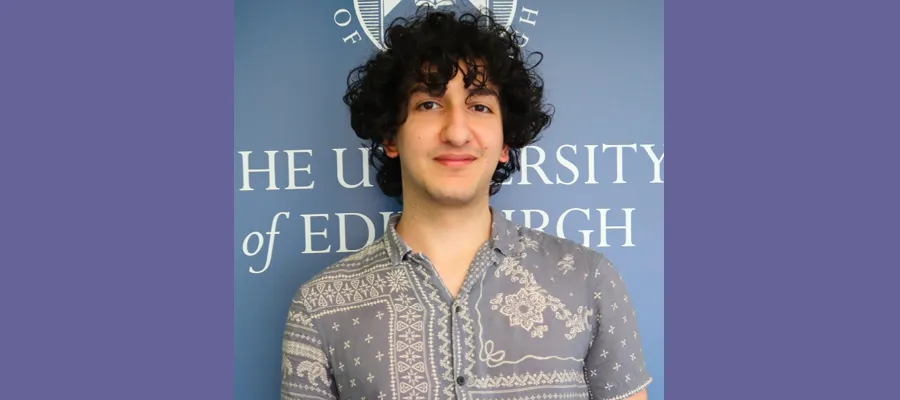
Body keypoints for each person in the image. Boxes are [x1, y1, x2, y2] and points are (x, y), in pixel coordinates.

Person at [281, 7, 652, 400]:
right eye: (428, 103)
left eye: (479, 106)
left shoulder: (589, 280)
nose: (457, 132)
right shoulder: (319, 307)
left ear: (505, 143)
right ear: (391, 137)